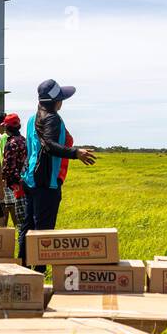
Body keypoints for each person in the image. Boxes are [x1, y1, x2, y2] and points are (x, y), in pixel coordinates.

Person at [20, 79, 97, 270]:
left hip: (30, 179)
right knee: (43, 231)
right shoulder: (52, 118)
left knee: (27, 227)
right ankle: (38, 274)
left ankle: (21, 268)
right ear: (56, 102)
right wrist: (75, 153)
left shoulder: (31, 119)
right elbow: (49, 145)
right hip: (46, 182)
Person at [0, 113, 28, 231]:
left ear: (7, 127)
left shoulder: (11, 143)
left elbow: (8, 166)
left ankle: (24, 247)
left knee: (22, 222)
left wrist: (1, 179)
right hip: (26, 182)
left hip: (16, 185)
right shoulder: (23, 140)